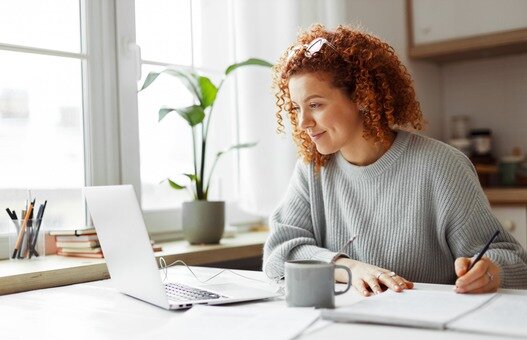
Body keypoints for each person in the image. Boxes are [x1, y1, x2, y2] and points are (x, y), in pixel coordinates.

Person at [263, 24, 527, 296]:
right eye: (296, 108)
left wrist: (489, 270)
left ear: (362, 98)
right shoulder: (312, 169)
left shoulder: (442, 167)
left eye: (315, 104)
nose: (303, 122)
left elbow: (511, 261)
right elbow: (279, 254)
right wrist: (348, 268)